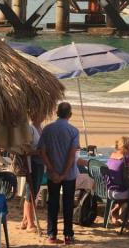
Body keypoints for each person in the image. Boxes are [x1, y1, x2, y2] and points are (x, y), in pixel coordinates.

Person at [40, 102, 79, 245]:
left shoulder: (47, 129)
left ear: (57, 113)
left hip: (53, 173)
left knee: (53, 203)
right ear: (70, 115)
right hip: (68, 174)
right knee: (68, 203)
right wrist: (64, 173)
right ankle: (68, 235)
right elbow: (71, 155)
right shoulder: (73, 131)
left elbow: (42, 152)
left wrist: (52, 170)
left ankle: (51, 234)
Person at [21, 115, 46, 231]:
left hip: (40, 164)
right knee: (30, 192)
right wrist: (38, 152)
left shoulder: (40, 128)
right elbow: (25, 150)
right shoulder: (30, 129)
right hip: (32, 165)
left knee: (34, 192)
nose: (44, 115)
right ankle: (30, 223)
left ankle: (25, 220)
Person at [105, 136, 129, 222]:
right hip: (119, 192)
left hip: (108, 190)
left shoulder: (112, 155)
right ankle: (117, 213)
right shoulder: (126, 158)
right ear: (126, 148)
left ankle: (116, 214)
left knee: (124, 188)